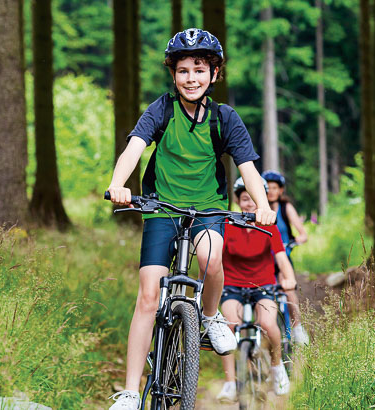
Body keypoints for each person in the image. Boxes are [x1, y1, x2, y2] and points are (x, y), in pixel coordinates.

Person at [107, 28, 276, 410]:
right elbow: (134, 147)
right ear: (173, 75)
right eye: (183, 70)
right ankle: (132, 391)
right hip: (162, 208)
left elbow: (248, 168)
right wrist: (118, 184)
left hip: (209, 209)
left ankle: (212, 316)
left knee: (211, 259)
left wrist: (262, 205)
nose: (191, 78)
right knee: (149, 295)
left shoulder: (224, 118)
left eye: (199, 70)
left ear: (214, 74)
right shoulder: (161, 110)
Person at [216, 177, 297, 402]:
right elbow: (215, 259)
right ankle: (230, 383)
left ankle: (277, 367)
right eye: (244, 199)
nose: (249, 204)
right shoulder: (227, 225)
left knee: (268, 323)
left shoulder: (268, 226)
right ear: (238, 201)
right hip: (232, 286)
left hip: (263, 285)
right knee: (229, 328)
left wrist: (289, 278)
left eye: (253, 199)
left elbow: (281, 258)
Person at [261, 169, 310, 346]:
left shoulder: (285, 208)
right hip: (263, 259)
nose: (272, 191)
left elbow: (302, 233)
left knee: (289, 290)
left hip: (282, 258)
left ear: (281, 190)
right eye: (268, 188)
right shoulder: (259, 209)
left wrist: (294, 241)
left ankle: (297, 327)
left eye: (275, 188)